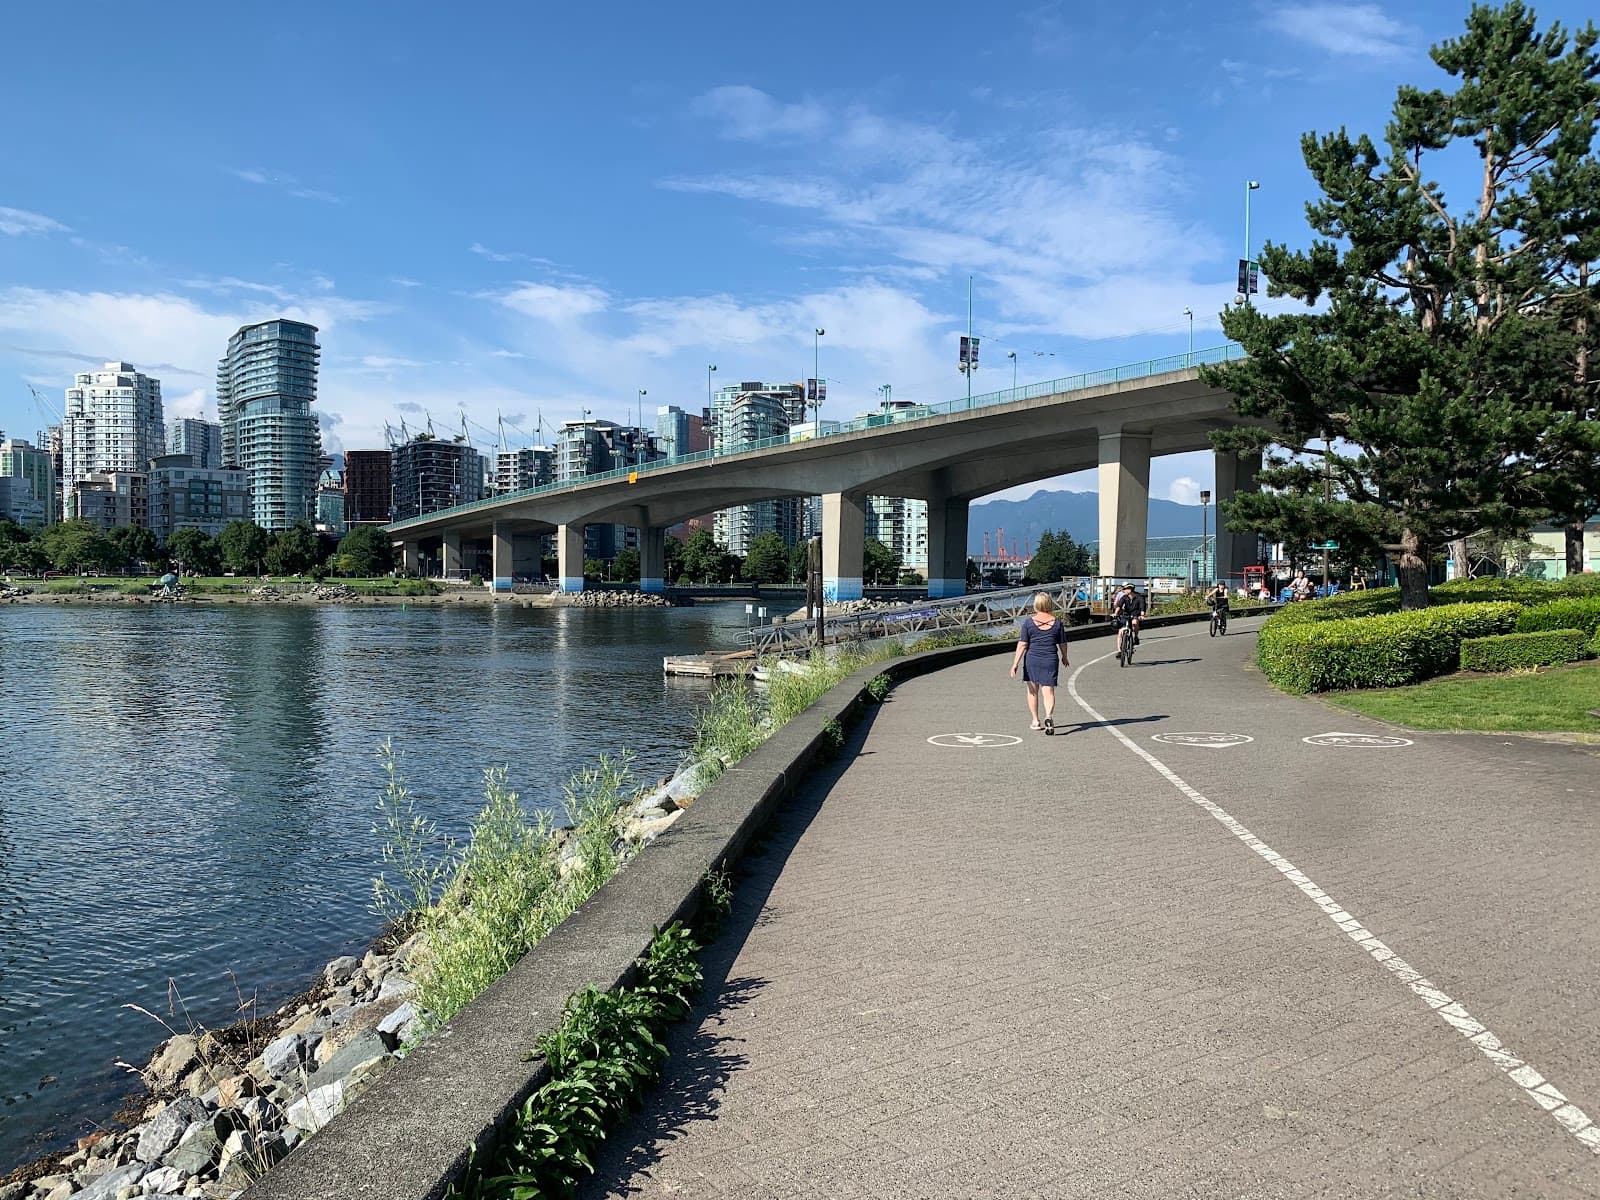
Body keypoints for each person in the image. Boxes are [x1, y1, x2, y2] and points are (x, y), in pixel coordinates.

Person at [1009, 592, 1070, 734]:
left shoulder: (1029, 623)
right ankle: (1048, 716)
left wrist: (1015, 663)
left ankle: (1036, 721)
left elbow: (1022, 644)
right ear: (1049, 604)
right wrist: (1064, 656)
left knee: (1032, 691)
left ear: (1036, 605)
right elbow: (1062, 643)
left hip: (1032, 659)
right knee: (1048, 691)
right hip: (1050, 659)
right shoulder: (1057, 623)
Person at [1111, 582, 1144, 652]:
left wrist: (1142, 615)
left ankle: (1135, 636)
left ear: (1130, 590)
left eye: (1125, 589)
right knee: (1120, 632)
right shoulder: (1124, 597)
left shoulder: (1139, 597)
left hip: (1135, 614)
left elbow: (1142, 607)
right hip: (1125, 614)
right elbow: (1119, 606)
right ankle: (1119, 651)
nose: (1123, 591)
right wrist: (1115, 613)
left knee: (1135, 623)